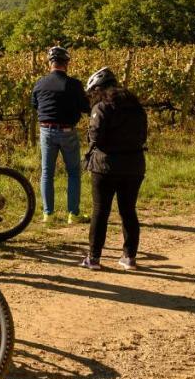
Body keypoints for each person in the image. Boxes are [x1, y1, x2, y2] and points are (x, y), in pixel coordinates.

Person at [81, 67, 148, 271]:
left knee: (100, 210)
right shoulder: (137, 107)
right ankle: (129, 257)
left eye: (93, 91)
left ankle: (94, 258)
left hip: (105, 166)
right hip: (134, 165)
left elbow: (96, 137)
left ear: (99, 89)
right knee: (128, 211)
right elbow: (143, 136)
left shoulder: (101, 107)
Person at [31, 46, 91, 223]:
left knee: (47, 173)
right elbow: (85, 107)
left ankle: (47, 214)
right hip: (67, 131)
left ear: (50, 63)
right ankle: (73, 214)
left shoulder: (40, 83)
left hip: (46, 131)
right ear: (66, 63)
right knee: (73, 172)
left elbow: (35, 105)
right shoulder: (74, 84)